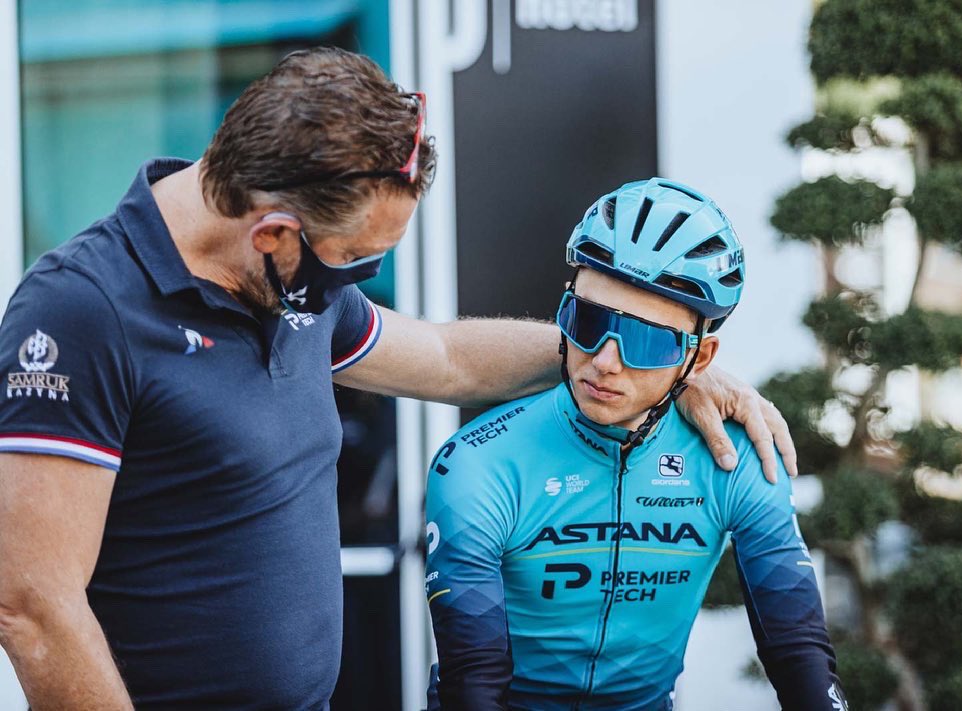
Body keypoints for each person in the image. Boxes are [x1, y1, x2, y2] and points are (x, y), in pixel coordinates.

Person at [0, 49, 794, 709]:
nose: (362, 279)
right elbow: (35, 608)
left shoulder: (289, 289)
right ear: (275, 233)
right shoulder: (81, 311)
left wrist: (637, 356)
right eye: (359, 261)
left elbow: (448, 358)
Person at [425, 179, 847, 711]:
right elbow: (475, 681)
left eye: (646, 341)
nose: (605, 359)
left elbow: (799, 651)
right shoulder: (478, 462)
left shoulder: (734, 457)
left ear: (699, 359)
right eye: (589, 319)